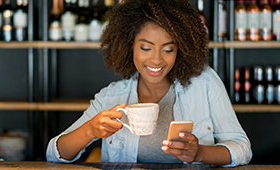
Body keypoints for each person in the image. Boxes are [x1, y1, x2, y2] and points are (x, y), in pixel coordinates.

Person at [46, 0, 252, 167]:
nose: (156, 60)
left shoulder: (204, 83)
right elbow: (54, 154)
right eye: (146, 48)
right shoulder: (111, 97)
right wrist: (89, 130)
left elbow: (242, 148)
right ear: (129, 46)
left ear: (181, 50)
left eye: (168, 49)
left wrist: (200, 153)